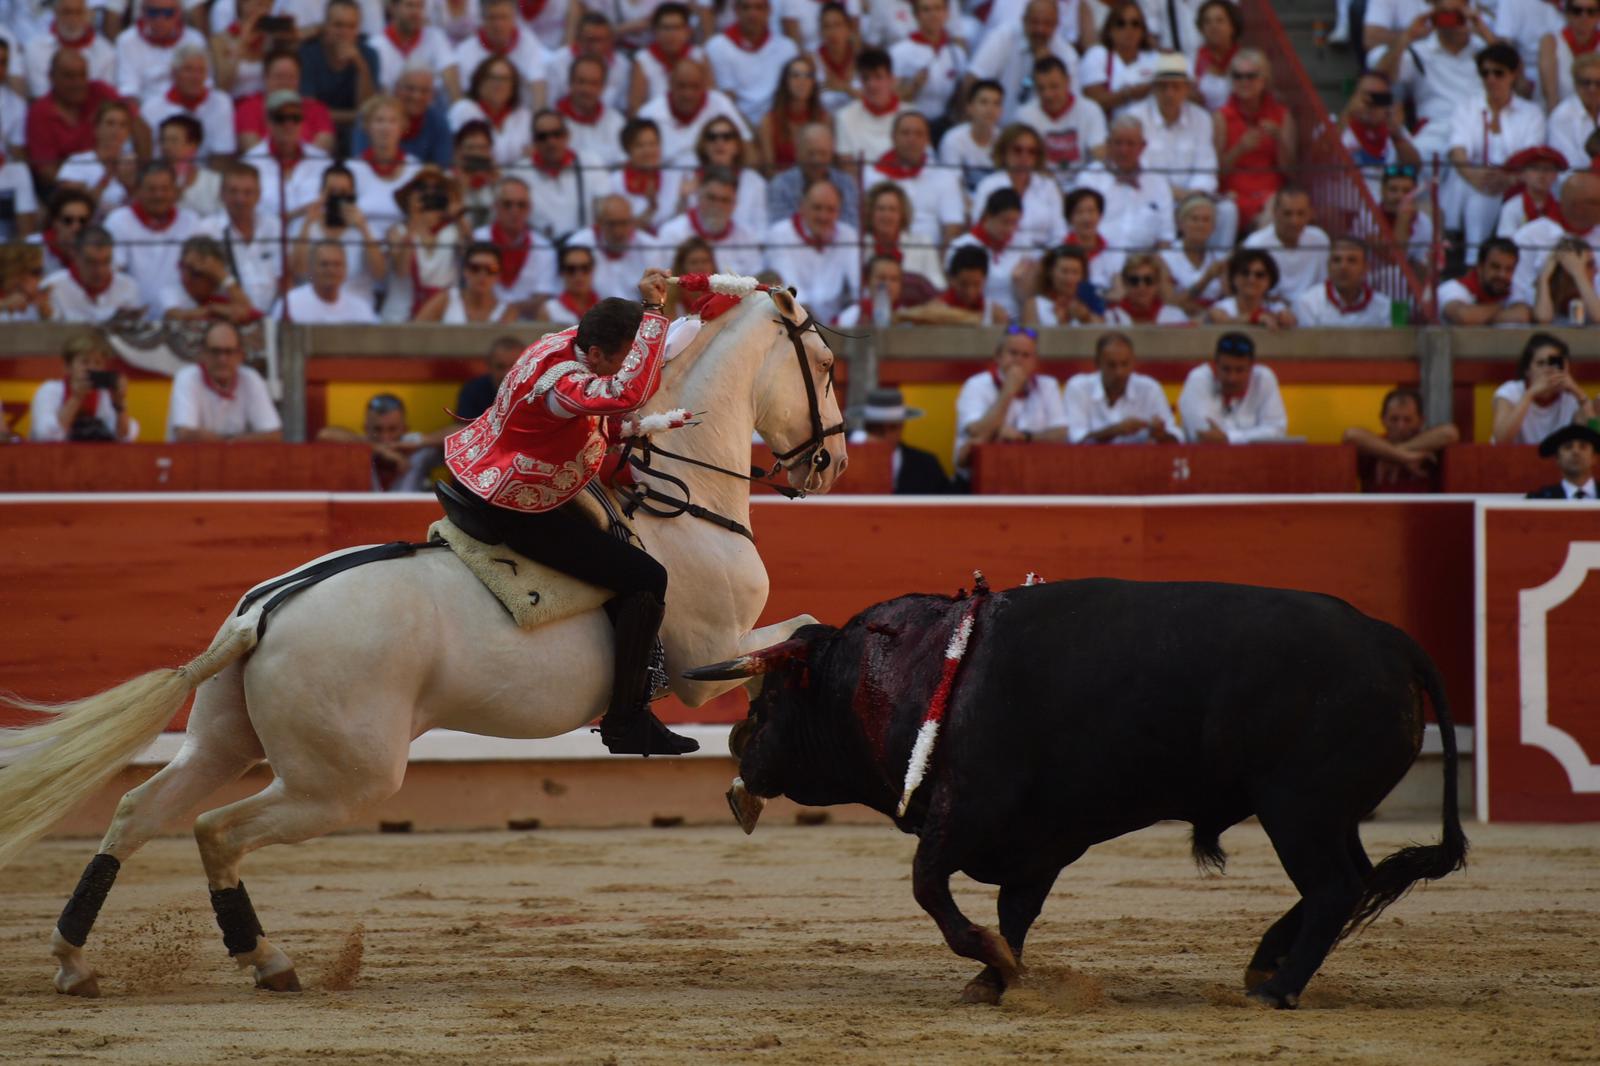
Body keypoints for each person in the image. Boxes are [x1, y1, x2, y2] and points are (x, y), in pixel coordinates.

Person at [438, 268, 698, 757]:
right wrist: (656, 312)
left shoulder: (559, 342)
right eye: (619, 361)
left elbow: (602, 408)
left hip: (487, 471)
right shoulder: (565, 384)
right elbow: (624, 394)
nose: (625, 368)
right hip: (516, 504)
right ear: (596, 353)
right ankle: (626, 719)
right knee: (646, 577)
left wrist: (634, 428)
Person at [1444, 43, 1545, 263]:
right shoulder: (1466, 107)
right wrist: (1475, 176)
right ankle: (1471, 255)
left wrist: (1508, 178)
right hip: (1475, 181)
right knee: (1474, 188)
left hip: (1515, 183)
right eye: (1485, 73)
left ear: (1512, 75)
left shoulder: (1531, 113)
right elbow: (1458, 150)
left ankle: (1469, 256)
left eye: (1498, 73)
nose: (1491, 79)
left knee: (1481, 192)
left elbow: (1530, 157)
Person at [1132, 53, 1232, 248]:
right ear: (1153, 88)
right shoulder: (1137, 117)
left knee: (1228, 211)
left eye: (1176, 86)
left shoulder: (1201, 118)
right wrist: (1179, 195)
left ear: (1187, 89)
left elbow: (1206, 167)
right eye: (1163, 86)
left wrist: (1193, 196)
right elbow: (1141, 171)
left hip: (1192, 198)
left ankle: (1219, 267)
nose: (1170, 93)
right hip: (1152, 197)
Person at [952, 324, 1068, 477]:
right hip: (979, 480)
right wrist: (1008, 391)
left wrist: (1024, 437)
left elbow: (1061, 435)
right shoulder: (976, 385)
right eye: (1013, 353)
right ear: (998, 356)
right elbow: (977, 431)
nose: (1019, 361)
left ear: (1035, 361)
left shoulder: (1048, 385)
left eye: (1026, 355)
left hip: (1033, 476)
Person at [1213, 48, 1293, 232]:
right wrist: (1240, 149)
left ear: (1264, 79)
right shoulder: (1221, 117)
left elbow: (1291, 171)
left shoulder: (1281, 114)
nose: (1244, 82)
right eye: (1238, 76)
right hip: (1235, 192)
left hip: (1270, 192)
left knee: (1276, 207)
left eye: (1251, 76)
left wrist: (1280, 140)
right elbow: (1217, 172)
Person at [166, 321, 284, 441]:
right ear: (202, 354)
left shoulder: (251, 378)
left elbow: (273, 435)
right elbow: (185, 435)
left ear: (240, 355)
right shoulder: (187, 378)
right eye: (215, 351)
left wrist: (226, 443)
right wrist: (233, 443)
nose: (222, 359)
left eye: (229, 352)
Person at [963, 0, 1077, 123]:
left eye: (1047, 24)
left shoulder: (1067, 55)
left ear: (1056, 25)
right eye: (1035, 22)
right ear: (1024, 20)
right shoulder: (1004, 37)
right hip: (996, 130)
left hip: (1042, 133)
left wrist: (1047, 67)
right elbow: (973, 79)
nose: (1040, 29)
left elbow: (1070, 103)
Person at [1075, 114, 1175, 255]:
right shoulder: (1089, 178)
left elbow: (1166, 237)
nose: (1124, 150)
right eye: (1118, 143)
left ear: (1142, 146)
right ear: (1108, 144)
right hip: (1098, 262)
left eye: (1130, 144)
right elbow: (1079, 231)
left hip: (1142, 268)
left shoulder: (1158, 183)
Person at [23, 49, 126, 184]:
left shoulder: (100, 92)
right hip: (62, 187)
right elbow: (46, 169)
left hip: (112, 175)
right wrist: (77, 191)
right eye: (69, 76)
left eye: (82, 75)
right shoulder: (40, 112)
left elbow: (138, 125)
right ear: (51, 77)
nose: (77, 83)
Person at [762, 179, 859, 322]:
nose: (823, 216)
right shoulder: (779, 234)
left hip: (836, 326)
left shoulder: (848, 235)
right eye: (817, 208)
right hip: (792, 322)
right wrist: (820, 332)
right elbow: (790, 292)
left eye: (830, 209)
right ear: (802, 207)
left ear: (839, 212)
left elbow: (858, 287)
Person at [867, 110, 966, 249]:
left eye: (918, 134)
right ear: (893, 137)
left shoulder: (945, 176)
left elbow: (953, 227)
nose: (911, 139)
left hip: (929, 256)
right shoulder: (872, 175)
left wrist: (939, 266)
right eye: (905, 133)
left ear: (927, 140)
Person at [1062, 331, 1179, 444]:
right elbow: (1075, 440)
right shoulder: (1079, 388)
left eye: (1125, 364)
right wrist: (1115, 431)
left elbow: (1177, 439)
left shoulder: (1149, 388)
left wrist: (1161, 435)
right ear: (1097, 363)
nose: (1119, 372)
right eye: (1111, 365)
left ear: (1133, 362)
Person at [635, 57, 750, 169]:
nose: (688, 94)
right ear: (670, 84)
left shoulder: (720, 104)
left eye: (694, 87)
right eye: (681, 86)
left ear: (704, 85)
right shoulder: (649, 114)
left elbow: (746, 143)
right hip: (665, 182)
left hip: (713, 179)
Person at [202, 162, 284, 317]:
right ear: (222, 193)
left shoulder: (274, 226)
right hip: (226, 319)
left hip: (272, 318)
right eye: (233, 191)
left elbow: (285, 279)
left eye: (248, 192)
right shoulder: (207, 231)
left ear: (258, 194)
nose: (240, 199)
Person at [316, 392, 442, 492]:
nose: (385, 437)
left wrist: (421, 442)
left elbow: (460, 433)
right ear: (366, 429)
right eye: (377, 429)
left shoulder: (414, 445)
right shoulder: (360, 444)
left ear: (405, 429)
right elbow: (325, 434)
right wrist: (378, 449)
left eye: (392, 429)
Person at [1177, 331, 1288, 443]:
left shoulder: (1263, 378)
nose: (1232, 378)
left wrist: (1229, 437)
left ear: (1251, 367)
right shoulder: (1198, 379)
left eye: (1239, 370)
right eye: (1226, 369)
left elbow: (1277, 430)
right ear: (1215, 365)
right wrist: (1249, 436)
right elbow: (1204, 435)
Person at [29, 331, 139, 442]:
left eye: (97, 363)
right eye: (85, 362)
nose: (91, 368)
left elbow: (124, 437)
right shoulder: (49, 390)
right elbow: (45, 436)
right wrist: (76, 399)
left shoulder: (104, 394)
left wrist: (119, 405)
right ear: (68, 367)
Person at [1344, 387, 1459, 493]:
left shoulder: (1430, 444)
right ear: (1383, 419)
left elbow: (1450, 433)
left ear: (1421, 421)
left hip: (1421, 513)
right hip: (1376, 512)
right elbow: (1351, 435)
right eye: (1394, 419)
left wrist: (1393, 455)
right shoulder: (1372, 445)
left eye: (1408, 420)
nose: (1400, 426)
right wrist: (1405, 457)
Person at [653, 166, 763, 277]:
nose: (718, 206)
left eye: (725, 200)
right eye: (712, 198)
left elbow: (755, 283)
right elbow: (663, 281)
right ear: (698, 195)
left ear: (734, 204)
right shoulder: (672, 233)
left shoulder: (747, 236)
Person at [1014, 55, 1106, 187]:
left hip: (1082, 186)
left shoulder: (1090, 110)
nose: (1048, 94)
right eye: (1041, 88)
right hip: (1040, 185)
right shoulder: (1024, 115)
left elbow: (1099, 155)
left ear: (1068, 82)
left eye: (1054, 87)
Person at [242, 89, 335, 219]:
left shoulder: (322, 161)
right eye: (281, 118)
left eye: (295, 118)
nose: (289, 124)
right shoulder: (250, 162)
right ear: (268, 122)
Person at [707, 0, 800, 126]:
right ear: (736, 11)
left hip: (778, 124)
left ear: (769, 11)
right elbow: (727, 100)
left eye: (759, 8)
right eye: (746, 8)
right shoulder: (717, 47)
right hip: (736, 126)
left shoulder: (787, 48)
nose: (752, 14)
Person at [299, 0, 379, 147]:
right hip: (317, 131)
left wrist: (360, 66)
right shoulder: (308, 54)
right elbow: (309, 111)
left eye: (351, 26)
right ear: (326, 27)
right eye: (338, 25)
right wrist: (354, 116)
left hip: (354, 132)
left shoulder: (369, 55)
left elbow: (368, 111)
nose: (344, 32)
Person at [974, 124, 1064, 253]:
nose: (1024, 156)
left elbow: (1059, 234)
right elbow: (981, 230)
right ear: (1004, 152)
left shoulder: (1048, 186)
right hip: (1000, 257)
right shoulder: (989, 185)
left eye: (1032, 151)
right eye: (1017, 150)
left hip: (1044, 259)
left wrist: (1045, 262)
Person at [1491, 333, 1596, 444]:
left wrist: (1578, 392)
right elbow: (1501, 440)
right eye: (1540, 363)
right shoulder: (1511, 391)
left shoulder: (1571, 398)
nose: (1548, 370)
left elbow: (1594, 440)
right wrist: (1530, 394)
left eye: (1555, 363)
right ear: (1527, 370)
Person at [846, 386, 951, 494]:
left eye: (892, 427)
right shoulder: (842, 456)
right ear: (866, 427)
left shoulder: (926, 466)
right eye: (877, 428)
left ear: (901, 426)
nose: (885, 435)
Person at [472, 176, 556, 311]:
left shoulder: (544, 248)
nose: (514, 211)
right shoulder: (476, 239)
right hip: (482, 320)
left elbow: (542, 298)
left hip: (527, 326)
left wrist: (507, 312)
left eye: (521, 205)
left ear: (529, 208)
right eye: (507, 204)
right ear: (495, 206)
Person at [235, 49, 337, 155]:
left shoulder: (317, 108)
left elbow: (321, 151)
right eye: (279, 76)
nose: (285, 82)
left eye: (291, 77)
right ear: (265, 77)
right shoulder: (248, 108)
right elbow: (253, 151)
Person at [140, 45, 237, 158]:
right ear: (174, 73)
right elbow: (151, 155)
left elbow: (223, 153)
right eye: (188, 69)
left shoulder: (221, 102)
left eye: (201, 70)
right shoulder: (151, 108)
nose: (195, 77)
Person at [943, 187, 1027, 317]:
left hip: (1016, 320)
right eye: (1005, 222)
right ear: (988, 216)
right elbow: (956, 292)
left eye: (1014, 223)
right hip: (979, 319)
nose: (1010, 229)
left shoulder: (1021, 245)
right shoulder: (961, 245)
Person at [54, 98, 140, 213]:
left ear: (128, 131)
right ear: (96, 128)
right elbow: (71, 208)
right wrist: (107, 177)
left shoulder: (137, 164)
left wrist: (129, 187)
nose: (116, 130)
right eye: (110, 123)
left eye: (123, 125)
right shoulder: (77, 162)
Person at [887, 0, 967, 123]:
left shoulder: (957, 53)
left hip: (944, 122)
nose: (933, 14)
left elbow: (961, 97)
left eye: (938, 9)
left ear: (946, 13)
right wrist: (913, 86)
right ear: (916, 15)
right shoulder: (899, 52)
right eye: (926, 10)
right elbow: (889, 98)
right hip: (909, 123)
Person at [42, 226, 144, 322]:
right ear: (75, 255)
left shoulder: (129, 287)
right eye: (91, 262)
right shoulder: (52, 287)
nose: (99, 270)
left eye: (106, 261)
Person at [353, 66, 452, 165]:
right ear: (397, 88)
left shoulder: (439, 122)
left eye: (424, 90)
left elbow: (442, 167)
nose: (416, 96)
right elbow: (360, 159)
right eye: (410, 88)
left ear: (433, 94)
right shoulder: (372, 113)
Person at [766, 122, 860, 226]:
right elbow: (779, 227)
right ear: (797, 153)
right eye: (811, 153)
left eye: (823, 153)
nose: (817, 160)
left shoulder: (846, 183)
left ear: (831, 154)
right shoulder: (781, 184)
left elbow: (851, 225)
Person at [860, 180, 945, 293]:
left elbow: (938, 286)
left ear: (902, 215)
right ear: (870, 213)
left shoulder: (923, 244)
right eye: (881, 209)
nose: (887, 215)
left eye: (892, 209)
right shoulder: (859, 246)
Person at [113, 0, 207, 102]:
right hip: (145, 109)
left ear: (179, 13)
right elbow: (129, 88)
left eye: (168, 13)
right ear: (143, 12)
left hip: (187, 107)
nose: (160, 19)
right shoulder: (126, 41)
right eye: (153, 12)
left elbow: (206, 84)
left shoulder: (195, 39)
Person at [526, 110, 599, 240]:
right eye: (543, 136)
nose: (551, 141)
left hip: (582, 250)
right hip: (541, 249)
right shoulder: (520, 172)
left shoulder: (591, 164)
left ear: (567, 135)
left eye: (557, 134)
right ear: (534, 141)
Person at [447, 55, 534, 165]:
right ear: (480, 81)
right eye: (493, 78)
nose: (499, 84)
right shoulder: (463, 110)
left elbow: (532, 154)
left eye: (505, 79)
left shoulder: (524, 116)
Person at [1080, 0, 1160, 118]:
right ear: (1110, 30)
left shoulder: (1155, 59)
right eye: (1121, 23)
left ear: (1143, 31)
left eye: (1135, 23)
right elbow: (1093, 102)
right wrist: (1129, 94)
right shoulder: (1097, 55)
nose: (1129, 29)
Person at [21, 0, 115, 99]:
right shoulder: (35, 49)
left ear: (87, 16)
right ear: (56, 14)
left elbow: (105, 97)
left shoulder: (106, 53)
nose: (72, 18)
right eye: (67, 12)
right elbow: (40, 94)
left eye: (78, 12)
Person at [569, 194, 656, 300]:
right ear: (599, 222)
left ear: (632, 221)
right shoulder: (578, 244)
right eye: (611, 224)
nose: (618, 231)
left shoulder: (650, 247)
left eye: (623, 223)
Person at [1291, 239, 1396, 327]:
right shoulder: (1308, 303)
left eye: (1352, 260)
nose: (1343, 267)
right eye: (1337, 260)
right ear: (1328, 266)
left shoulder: (1384, 307)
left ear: (1366, 267)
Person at [157, 235, 260, 324]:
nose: (188, 277)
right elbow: (175, 316)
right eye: (183, 267)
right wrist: (211, 309)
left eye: (196, 273)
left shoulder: (220, 290)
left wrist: (222, 275)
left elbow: (247, 312)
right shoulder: (171, 291)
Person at [627, 3, 704, 114]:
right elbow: (635, 107)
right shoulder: (643, 60)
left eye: (677, 28)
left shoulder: (698, 57)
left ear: (688, 31)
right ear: (655, 31)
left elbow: (708, 98)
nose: (671, 34)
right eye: (665, 28)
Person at [1437, 237, 1532, 325]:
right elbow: (1464, 317)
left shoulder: (1512, 289)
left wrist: (1481, 316)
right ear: (1480, 267)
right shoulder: (1451, 288)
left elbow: (1522, 315)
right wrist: (1501, 307)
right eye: (1495, 267)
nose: (1502, 275)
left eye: (1509, 269)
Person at [366, 0, 453, 94]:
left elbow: (450, 71)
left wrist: (457, 105)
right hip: (393, 104)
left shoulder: (435, 37)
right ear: (393, 8)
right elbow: (382, 92)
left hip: (431, 104)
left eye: (420, 6)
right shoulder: (375, 46)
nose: (415, 12)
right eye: (409, 5)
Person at [285, 239, 381, 322]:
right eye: (324, 264)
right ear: (310, 269)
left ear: (346, 269)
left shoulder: (361, 309)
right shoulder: (290, 304)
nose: (331, 270)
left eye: (337, 264)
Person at [555, 54, 626, 167]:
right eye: (581, 82)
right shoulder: (554, 123)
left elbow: (623, 163)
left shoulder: (616, 121)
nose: (586, 89)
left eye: (593, 83)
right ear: (570, 83)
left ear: (603, 87)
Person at [417, 241, 515, 323]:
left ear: (499, 274)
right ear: (465, 271)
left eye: (491, 269)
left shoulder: (506, 311)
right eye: (475, 268)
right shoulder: (446, 300)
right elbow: (415, 332)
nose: (482, 275)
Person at [834, 47, 902, 162]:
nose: (871, 84)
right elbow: (847, 167)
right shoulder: (845, 116)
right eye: (866, 78)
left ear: (891, 80)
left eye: (878, 77)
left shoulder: (910, 115)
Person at [1163, 194, 1228, 314]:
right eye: (1194, 219)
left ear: (1213, 227)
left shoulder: (1220, 258)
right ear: (1181, 224)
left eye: (1206, 220)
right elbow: (1170, 303)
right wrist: (1206, 279)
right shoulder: (1165, 257)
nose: (1200, 225)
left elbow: (1229, 299)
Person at [1016, 243, 1105, 326]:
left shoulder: (1087, 304)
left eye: (1075, 272)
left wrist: (1086, 317)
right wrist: (1060, 323)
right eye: (1064, 271)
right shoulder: (1035, 304)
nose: (1070, 278)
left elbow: (1103, 333)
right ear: (1050, 272)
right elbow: (1030, 339)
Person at [938, 78, 1002, 192]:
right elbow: (952, 185)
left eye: (996, 103)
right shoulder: (953, 140)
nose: (990, 109)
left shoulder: (1004, 140)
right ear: (970, 108)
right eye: (984, 102)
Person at [1205, 248, 1294, 329]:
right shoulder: (1222, 307)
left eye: (1259, 275)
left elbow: (1292, 321)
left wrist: (1285, 319)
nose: (1252, 279)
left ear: (1270, 281)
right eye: (1245, 273)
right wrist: (1255, 318)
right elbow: (1222, 321)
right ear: (1233, 278)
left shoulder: (1276, 308)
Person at [1538, 0, 1600, 109]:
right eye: (1577, 11)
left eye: (1591, 11)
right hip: (1560, 114)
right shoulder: (1551, 42)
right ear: (1567, 14)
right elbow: (1550, 95)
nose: (1584, 17)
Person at [158, 114, 221, 218]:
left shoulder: (214, 182)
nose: (166, 146)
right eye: (163, 140)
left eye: (173, 140)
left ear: (193, 144)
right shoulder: (149, 181)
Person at [1495, 146, 1565, 239]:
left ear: (1555, 175)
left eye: (1547, 169)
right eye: (1535, 168)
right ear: (1523, 174)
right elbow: (1506, 244)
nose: (1541, 175)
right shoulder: (1512, 207)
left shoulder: (1561, 207)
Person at [1549, 53, 1600, 172]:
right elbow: (1568, 163)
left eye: (1598, 83)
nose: (1592, 89)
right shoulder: (1561, 116)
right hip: (1577, 181)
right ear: (1576, 84)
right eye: (1586, 83)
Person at [1104, 254, 1190, 325]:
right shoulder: (1111, 317)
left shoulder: (1175, 317)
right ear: (1125, 284)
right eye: (1134, 280)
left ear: (1157, 283)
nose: (1142, 286)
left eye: (1148, 280)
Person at [1534, 237, 1600, 326]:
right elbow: (1543, 318)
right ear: (1568, 269)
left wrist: (1579, 276)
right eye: (1590, 265)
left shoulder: (1594, 290)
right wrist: (1544, 279)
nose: (1596, 270)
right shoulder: (1544, 290)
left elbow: (1598, 317)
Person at [455, 335, 523, 420]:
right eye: (500, 367)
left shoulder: (536, 392)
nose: (507, 374)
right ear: (489, 365)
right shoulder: (474, 389)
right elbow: (463, 428)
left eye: (514, 367)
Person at [1191, 0, 1243, 111]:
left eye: (1220, 21)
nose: (1213, 26)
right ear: (1201, 29)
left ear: (1232, 26)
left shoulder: (1246, 60)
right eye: (1207, 22)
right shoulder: (1192, 61)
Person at [1527, 424, 1600, 499]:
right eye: (1568, 447)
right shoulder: (1541, 499)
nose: (1575, 452)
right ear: (1558, 459)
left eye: (1583, 447)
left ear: (1594, 458)